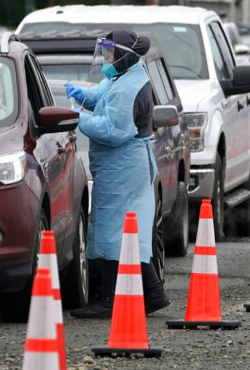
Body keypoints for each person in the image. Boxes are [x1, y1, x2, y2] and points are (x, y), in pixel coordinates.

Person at [67, 29, 169, 319]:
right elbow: (101, 94)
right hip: (122, 167)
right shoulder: (123, 77)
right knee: (127, 232)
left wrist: (79, 118)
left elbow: (113, 131)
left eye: (109, 55)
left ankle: (108, 299)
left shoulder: (129, 87)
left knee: (115, 232)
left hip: (124, 166)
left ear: (123, 56)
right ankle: (153, 294)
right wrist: (81, 96)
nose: (104, 60)